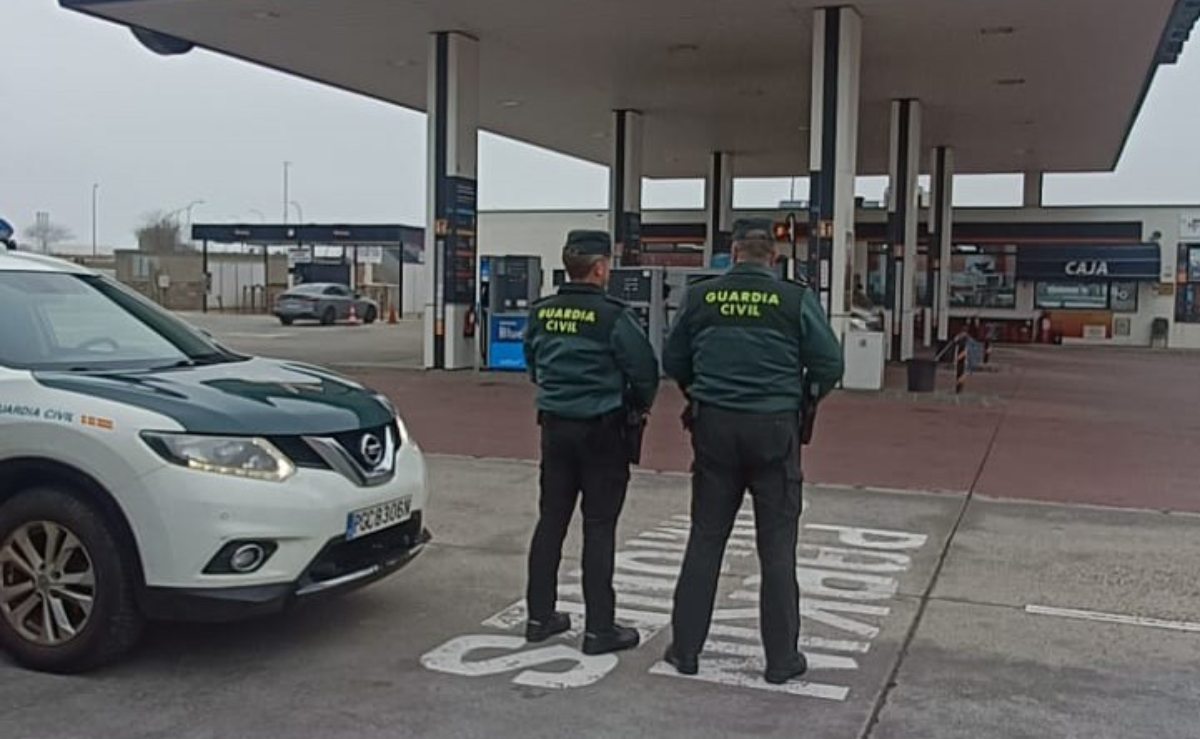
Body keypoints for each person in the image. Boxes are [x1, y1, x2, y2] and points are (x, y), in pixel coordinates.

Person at [661, 218, 844, 684]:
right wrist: (804, 398)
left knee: (705, 539)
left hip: (714, 428)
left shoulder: (702, 296)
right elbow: (830, 362)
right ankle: (781, 659)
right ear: (774, 257)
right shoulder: (794, 299)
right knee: (777, 549)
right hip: (774, 429)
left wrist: (697, 390)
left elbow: (674, 358)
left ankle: (685, 650)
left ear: (734, 252)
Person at [521, 229, 660, 655]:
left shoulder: (542, 311)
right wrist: (635, 404)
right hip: (603, 431)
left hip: (556, 428)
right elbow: (645, 372)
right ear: (600, 268)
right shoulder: (612, 316)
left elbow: (532, 362)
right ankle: (600, 628)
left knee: (551, 521)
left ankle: (539, 617)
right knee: (599, 527)